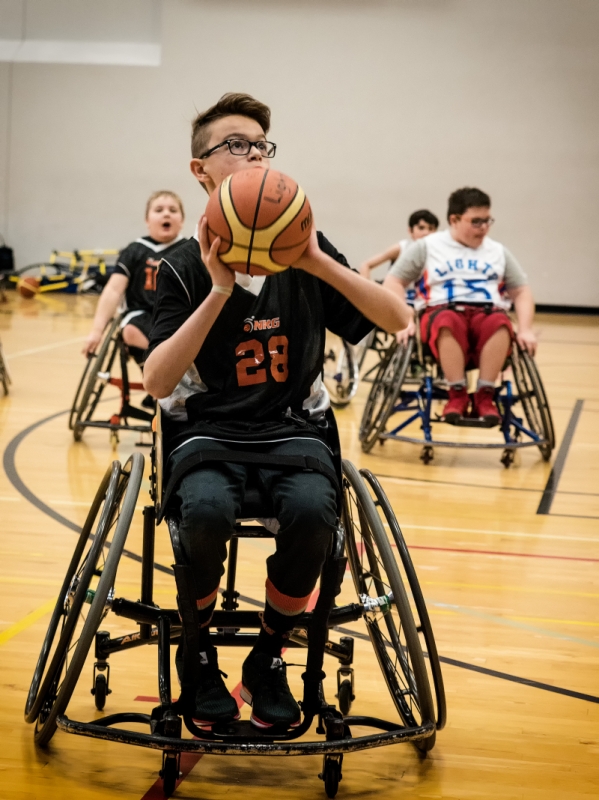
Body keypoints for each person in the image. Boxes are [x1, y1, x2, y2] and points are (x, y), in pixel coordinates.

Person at [144, 93, 410, 730]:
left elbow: (398, 320)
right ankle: (198, 653)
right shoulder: (180, 266)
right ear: (200, 170)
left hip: (294, 431)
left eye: (262, 146)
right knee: (204, 511)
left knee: (315, 513)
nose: (254, 154)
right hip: (207, 433)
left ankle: (267, 657)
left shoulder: (306, 249)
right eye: (235, 145)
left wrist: (317, 260)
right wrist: (218, 292)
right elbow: (157, 382)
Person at [384, 186, 536, 424]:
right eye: (476, 221)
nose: (484, 227)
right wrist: (402, 321)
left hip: (487, 311)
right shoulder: (428, 246)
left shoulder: (498, 251)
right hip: (441, 311)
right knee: (448, 321)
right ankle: (457, 395)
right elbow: (393, 281)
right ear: (454, 219)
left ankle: (485, 396)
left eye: (487, 220)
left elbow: (521, 291)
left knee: (500, 323)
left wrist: (526, 329)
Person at [82, 191, 186, 360]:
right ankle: (159, 369)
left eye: (173, 210)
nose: (166, 213)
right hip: (141, 314)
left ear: (181, 221)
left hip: (178, 316)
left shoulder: (189, 249)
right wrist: (96, 331)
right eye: (159, 210)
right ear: (147, 221)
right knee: (131, 330)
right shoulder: (134, 250)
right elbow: (113, 290)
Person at [360, 209, 439, 342]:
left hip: (419, 302)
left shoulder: (438, 253)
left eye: (431, 228)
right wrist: (366, 293)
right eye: (421, 228)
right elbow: (366, 265)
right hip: (398, 299)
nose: (426, 232)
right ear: (410, 230)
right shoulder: (401, 248)